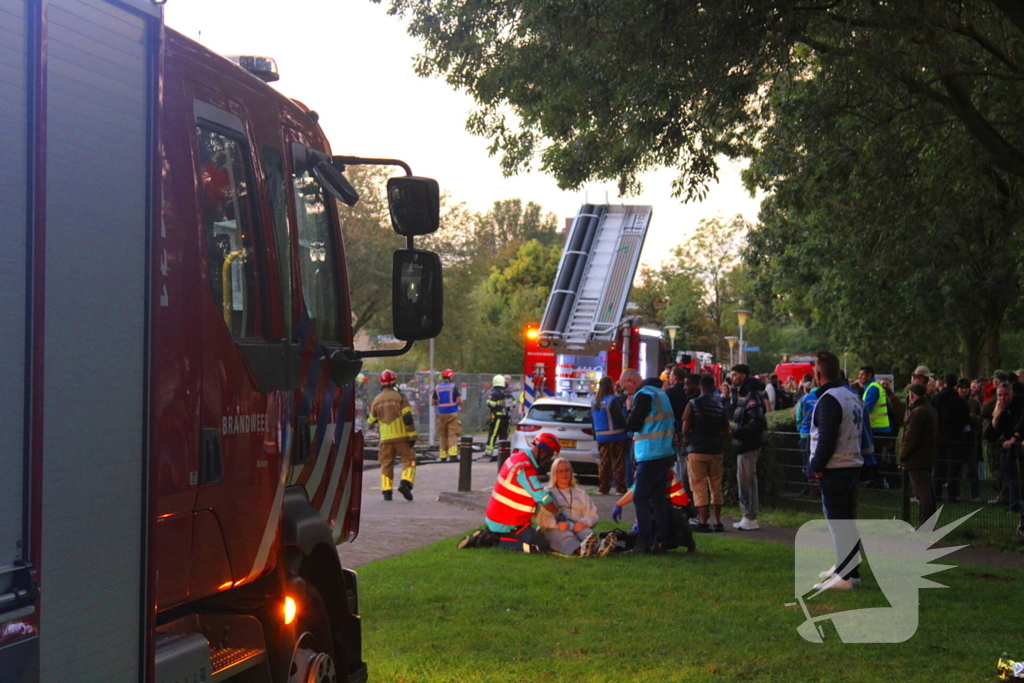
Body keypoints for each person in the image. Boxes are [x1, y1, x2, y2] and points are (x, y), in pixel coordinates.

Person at [809, 351, 864, 591]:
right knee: (847, 521)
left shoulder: (829, 399)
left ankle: (844, 576)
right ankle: (851, 570)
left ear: (818, 374)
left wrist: (817, 466)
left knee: (838, 522)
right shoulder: (850, 395)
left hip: (835, 467)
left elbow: (827, 438)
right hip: (851, 464)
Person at [619, 368, 677, 554]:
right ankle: (660, 541)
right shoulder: (661, 393)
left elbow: (633, 424)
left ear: (632, 381)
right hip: (664, 452)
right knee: (658, 499)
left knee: (640, 497)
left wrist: (629, 409)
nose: (626, 393)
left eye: (625, 388)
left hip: (650, 453)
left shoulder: (643, 395)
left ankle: (643, 542)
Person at [483, 432, 566, 553]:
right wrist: (558, 515)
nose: (548, 460)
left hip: (497, 516)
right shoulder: (525, 468)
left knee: (537, 539)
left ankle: (493, 535)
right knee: (541, 547)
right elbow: (543, 498)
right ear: (543, 452)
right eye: (549, 456)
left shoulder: (516, 457)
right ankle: (499, 540)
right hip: (508, 523)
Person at [683, 373, 731, 532]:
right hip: (716, 451)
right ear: (713, 387)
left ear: (700, 387)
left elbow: (685, 428)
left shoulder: (693, 403)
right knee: (716, 485)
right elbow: (726, 430)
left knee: (699, 485)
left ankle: (703, 521)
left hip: (697, 450)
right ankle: (717, 521)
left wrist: (690, 441)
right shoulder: (720, 405)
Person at [610, 468, 696, 553]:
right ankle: (683, 535)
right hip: (680, 509)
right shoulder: (661, 467)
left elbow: (637, 490)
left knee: (647, 522)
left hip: (675, 510)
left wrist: (619, 504)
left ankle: (653, 543)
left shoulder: (653, 469)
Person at [727, 364, 768, 531]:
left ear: (743, 376)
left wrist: (737, 432)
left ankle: (749, 515)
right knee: (747, 479)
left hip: (747, 443)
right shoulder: (747, 394)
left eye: (735, 375)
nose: (732, 378)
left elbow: (757, 421)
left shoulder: (751, 396)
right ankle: (749, 514)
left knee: (746, 480)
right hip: (747, 442)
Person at [368, 369, 418, 501]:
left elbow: (371, 421)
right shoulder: (400, 397)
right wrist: (412, 435)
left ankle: (386, 491)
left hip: (385, 438)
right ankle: (405, 483)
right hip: (401, 436)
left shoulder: (376, 400)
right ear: (394, 382)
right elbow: (407, 417)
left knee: (386, 464)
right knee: (409, 460)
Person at [535, 457, 601, 555]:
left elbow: (592, 515)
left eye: (567, 470)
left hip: (577, 525)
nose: (564, 474)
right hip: (556, 527)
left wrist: (583, 522)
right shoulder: (547, 493)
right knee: (566, 536)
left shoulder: (581, 494)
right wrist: (556, 524)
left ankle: (600, 547)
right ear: (554, 473)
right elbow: (542, 518)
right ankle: (580, 549)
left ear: (571, 472)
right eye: (560, 471)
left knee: (587, 533)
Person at [899, 383, 939, 529]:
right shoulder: (930, 410)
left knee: (922, 493)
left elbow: (910, 437)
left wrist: (902, 456)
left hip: (916, 459)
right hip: (926, 456)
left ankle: (924, 525)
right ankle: (929, 524)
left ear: (911, 395)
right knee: (927, 491)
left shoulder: (918, 412)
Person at [985, 382, 1023, 513]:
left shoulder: (1019, 404)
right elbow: (990, 436)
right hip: (1009, 448)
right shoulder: (1001, 410)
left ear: (1011, 394)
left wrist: (1014, 438)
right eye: (999, 395)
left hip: (1018, 444)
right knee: (1010, 476)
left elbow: (1021, 423)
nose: (1002, 398)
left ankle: (1017, 503)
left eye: (1005, 395)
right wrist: (995, 418)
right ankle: (1015, 503)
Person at [933, 372, 970, 504]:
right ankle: (952, 494)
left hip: (938, 436)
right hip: (955, 437)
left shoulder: (936, 399)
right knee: (954, 467)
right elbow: (965, 419)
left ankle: (936, 493)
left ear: (944, 382)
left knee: (938, 465)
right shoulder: (960, 401)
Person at [592, 376, 629, 495]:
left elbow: (593, 421)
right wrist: (627, 427)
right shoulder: (613, 400)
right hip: (616, 436)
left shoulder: (594, 401)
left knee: (604, 463)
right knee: (617, 463)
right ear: (611, 385)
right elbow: (619, 418)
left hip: (601, 437)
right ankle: (620, 488)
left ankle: (603, 488)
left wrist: (595, 436)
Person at [664, 366, 691, 491]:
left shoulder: (670, 392)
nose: (669, 377)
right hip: (685, 427)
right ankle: (684, 486)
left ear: (675, 377)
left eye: (670, 375)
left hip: (673, 428)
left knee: (674, 460)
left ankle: (675, 486)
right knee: (683, 458)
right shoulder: (686, 391)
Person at [795, 379, 820, 495]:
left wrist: (801, 430)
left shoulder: (804, 399)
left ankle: (808, 486)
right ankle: (817, 487)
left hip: (805, 434)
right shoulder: (823, 397)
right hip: (819, 435)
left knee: (806, 461)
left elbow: (798, 417)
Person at [432, 368, 463, 463]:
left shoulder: (437, 388)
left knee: (443, 435)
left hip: (441, 413)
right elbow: (460, 401)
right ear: (451, 377)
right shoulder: (453, 387)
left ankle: (443, 456)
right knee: (453, 434)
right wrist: (456, 405)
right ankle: (453, 455)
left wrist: (441, 404)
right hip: (452, 412)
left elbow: (433, 402)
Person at [486, 374, 512, 459]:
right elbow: (513, 405)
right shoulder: (508, 392)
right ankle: (503, 454)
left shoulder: (494, 393)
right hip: (506, 418)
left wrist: (488, 402)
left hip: (497, 417)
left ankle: (488, 453)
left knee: (493, 434)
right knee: (503, 435)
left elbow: (492, 405)